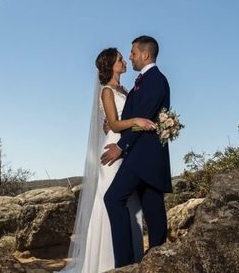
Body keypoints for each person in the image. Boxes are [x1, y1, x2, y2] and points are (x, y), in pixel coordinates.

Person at [62, 48, 156, 273]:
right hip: (113, 148)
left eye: (124, 58)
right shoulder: (106, 91)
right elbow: (113, 125)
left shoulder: (124, 89)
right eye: (120, 59)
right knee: (111, 199)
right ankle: (105, 261)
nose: (125, 61)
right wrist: (138, 121)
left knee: (130, 203)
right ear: (111, 65)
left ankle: (130, 257)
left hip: (127, 148)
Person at [101, 35, 172, 268]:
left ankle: (126, 264)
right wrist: (113, 124)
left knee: (113, 199)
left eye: (132, 52)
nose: (130, 57)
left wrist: (121, 147)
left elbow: (144, 118)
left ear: (145, 54)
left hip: (142, 155)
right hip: (141, 157)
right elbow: (133, 117)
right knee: (153, 211)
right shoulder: (142, 82)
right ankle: (156, 261)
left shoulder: (155, 81)